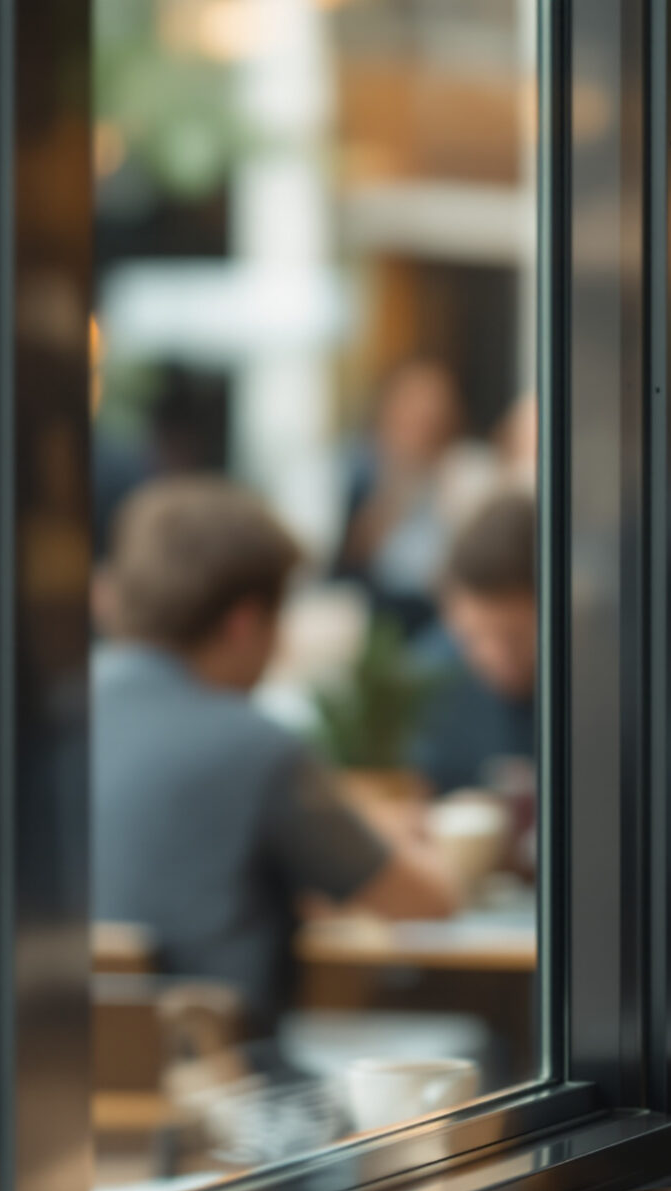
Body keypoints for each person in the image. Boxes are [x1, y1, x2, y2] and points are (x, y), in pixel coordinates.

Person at [96, 478, 460, 1037]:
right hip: (229, 1089)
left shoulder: (58, 717)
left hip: (68, 1087)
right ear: (244, 623)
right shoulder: (255, 746)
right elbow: (426, 901)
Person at [334, 357, 497, 639]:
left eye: (431, 414)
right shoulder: (362, 473)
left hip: (444, 618)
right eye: (410, 411)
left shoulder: (469, 471)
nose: (421, 424)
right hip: (379, 614)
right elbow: (347, 565)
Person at [411, 490, 537, 796]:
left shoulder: (603, 694)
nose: (496, 656)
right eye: (472, 637)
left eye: (516, 636)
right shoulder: (432, 680)